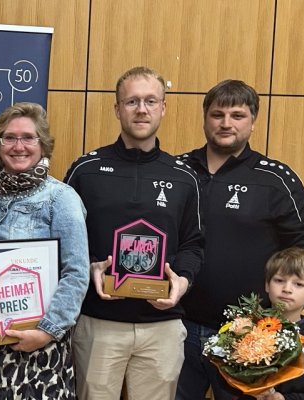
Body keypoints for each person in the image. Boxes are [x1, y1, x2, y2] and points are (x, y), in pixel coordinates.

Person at [64, 66, 204, 400]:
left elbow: (194, 245)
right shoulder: (87, 169)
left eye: (151, 101)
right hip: (99, 322)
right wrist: (92, 267)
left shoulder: (185, 176)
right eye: (132, 101)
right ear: (117, 109)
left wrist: (181, 282)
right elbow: (64, 240)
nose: (142, 109)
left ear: (163, 108)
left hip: (163, 325)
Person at [176, 80, 304, 400]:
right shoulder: (178, 170)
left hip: (249, 332)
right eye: (218, 114)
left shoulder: (276, 178)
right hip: (178, 325)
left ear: (253, 122)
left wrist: (283, 313)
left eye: (237, 115)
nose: (226, 123)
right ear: (204, 118)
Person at [0, 103, 89, 399]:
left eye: (28, 137)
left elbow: (76, 273)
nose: (19, 146)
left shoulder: (62, 198)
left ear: (42, 145)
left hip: (37, 346)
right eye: (10, 137)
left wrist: (45, 332)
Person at [227, 248, 304, 400]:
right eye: (279, 281)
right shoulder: (246, 331)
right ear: (267, 285)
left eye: (298, 284)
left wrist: (284, 399)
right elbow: (227, 379)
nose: (287, 289)